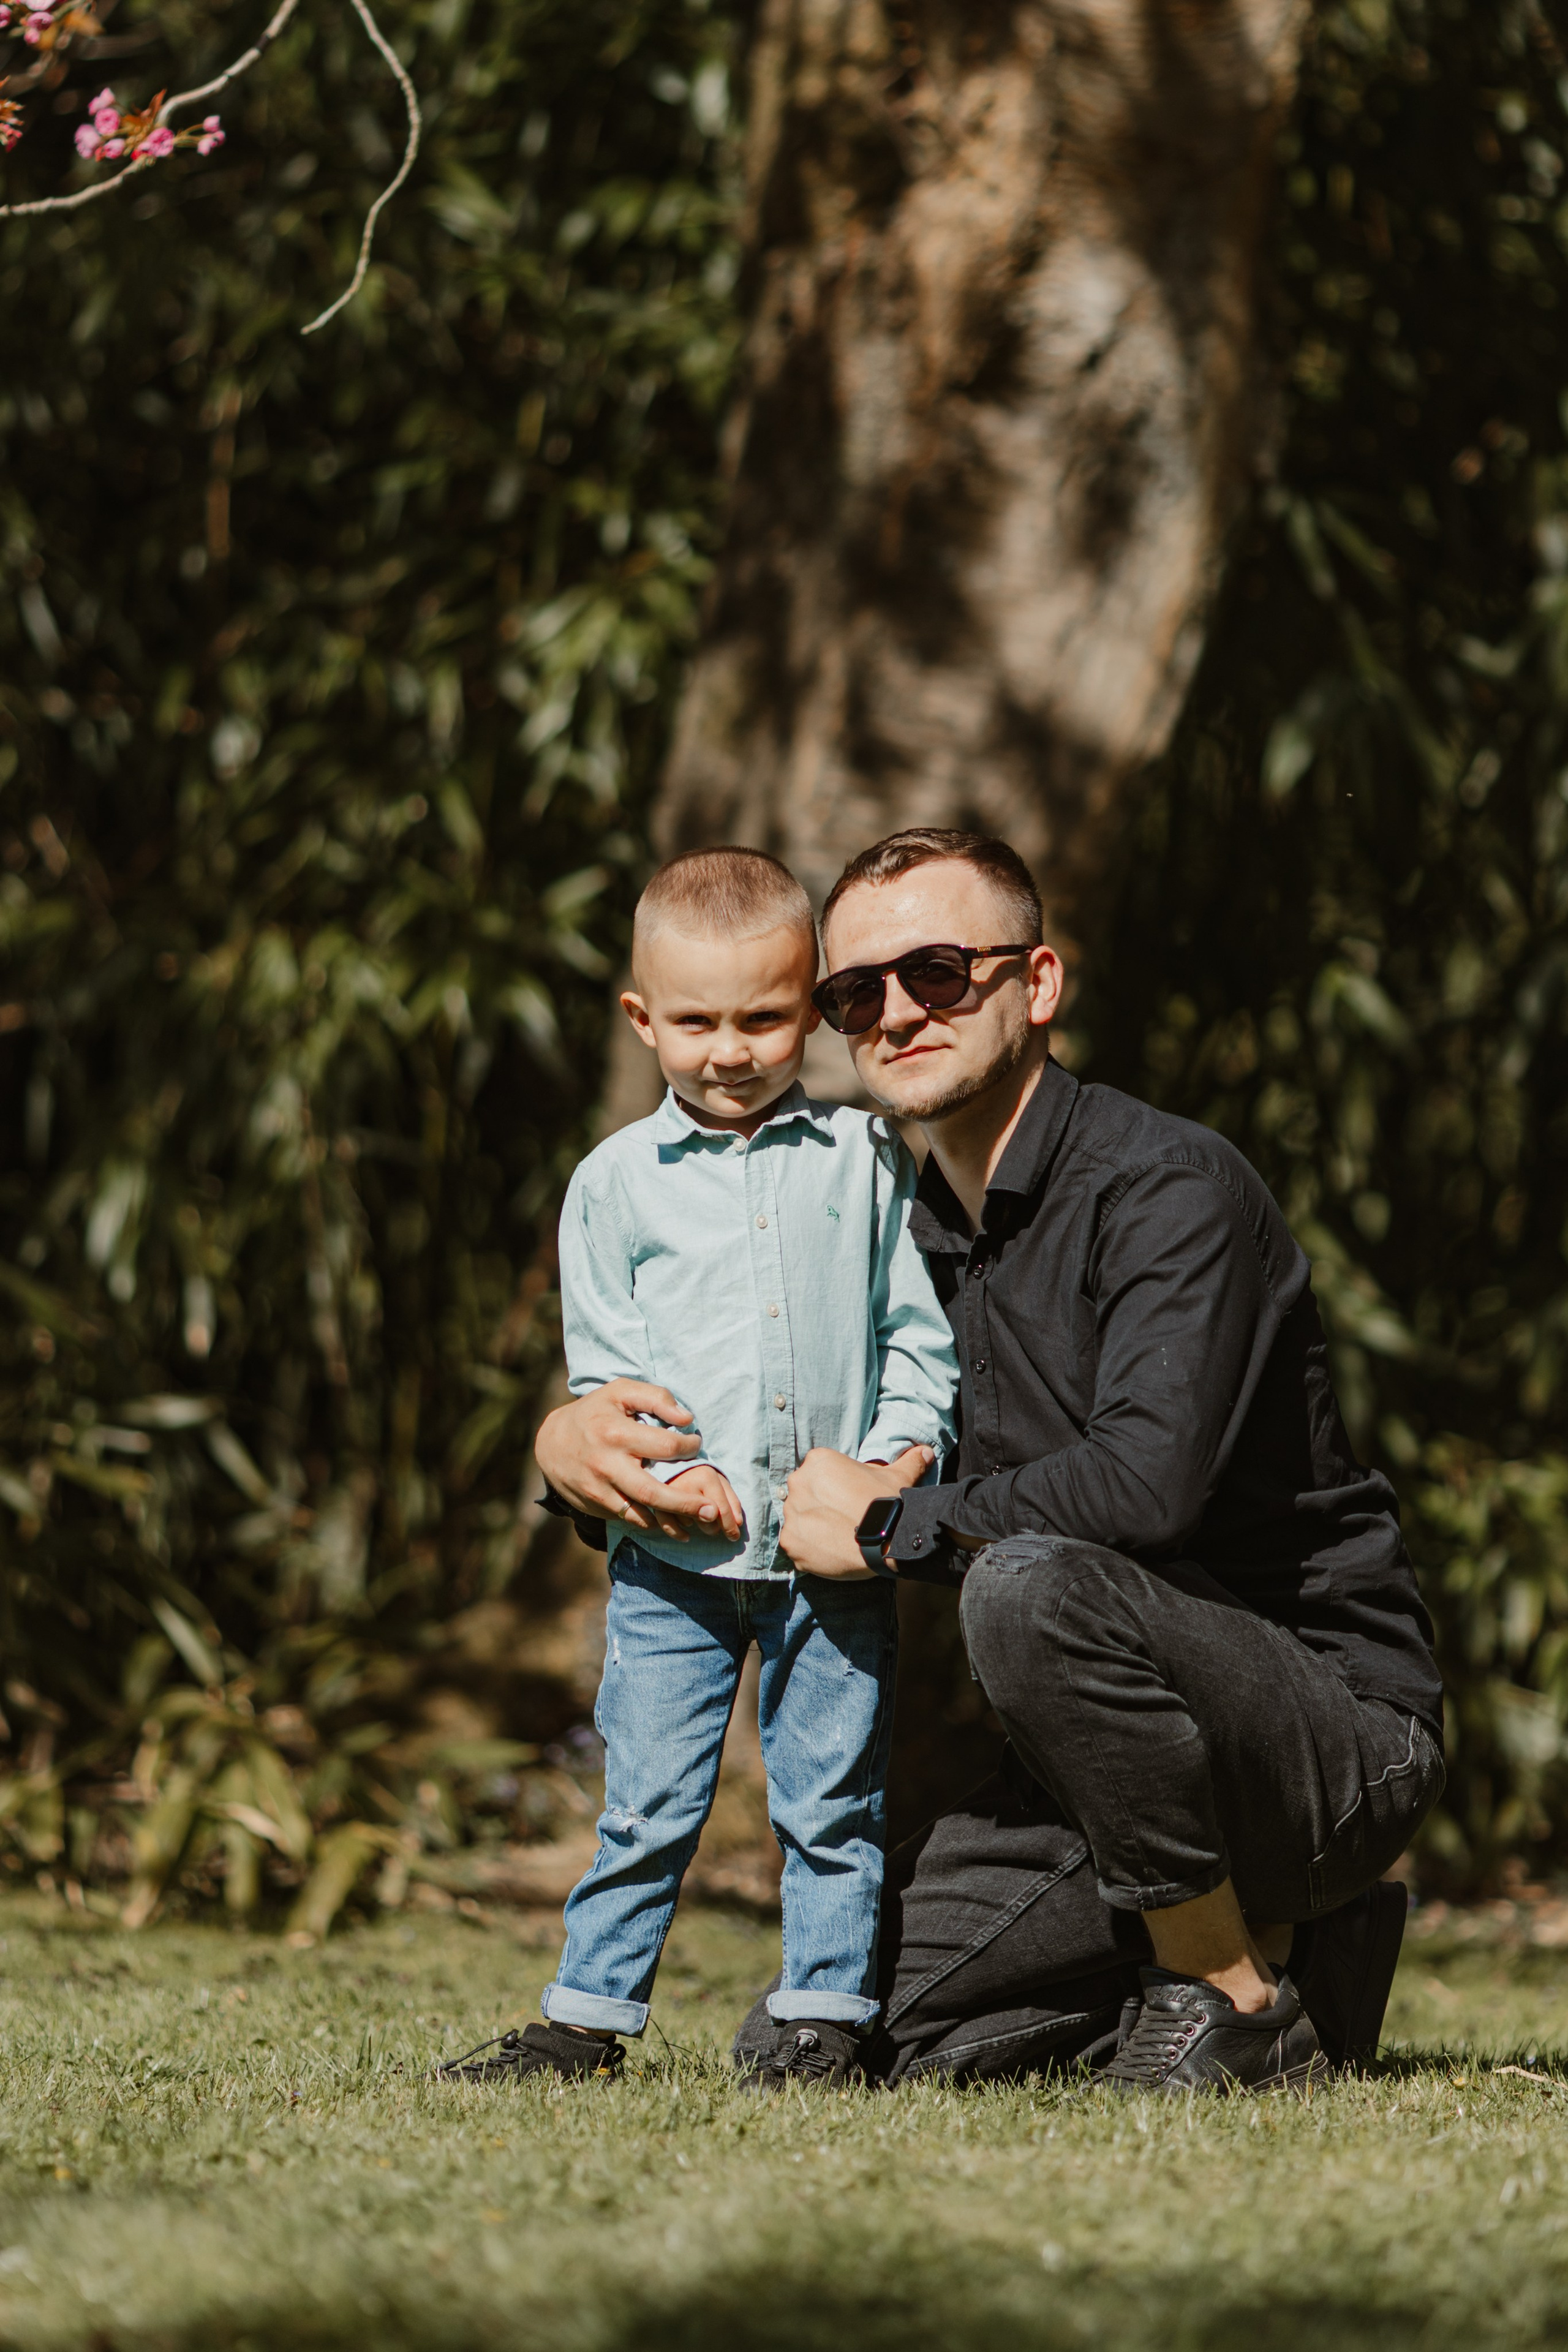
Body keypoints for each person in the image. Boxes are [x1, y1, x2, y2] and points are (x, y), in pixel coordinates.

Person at [535, 827, 1446, 2095]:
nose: (898, 1011)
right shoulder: (893, 1226)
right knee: (840, 2030)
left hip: (1322, 1728)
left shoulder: (1165, 1190)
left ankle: (1228, 1992)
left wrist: (878, 1531)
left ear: (1037, 983)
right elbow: (760, 1403)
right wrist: (571, 1448)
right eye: (858, 992)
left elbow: (1141, 1489)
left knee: (1023, 1586)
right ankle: (1301, 1952)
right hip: (1109, 1768)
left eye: (941, 972)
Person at [440, 846, 957, 2089]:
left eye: (763, 1017)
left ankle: (824, 2018)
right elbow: (604, 1384)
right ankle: (586, 2022)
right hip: (670, 1566)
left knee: (829, 1802)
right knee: (647, 1802)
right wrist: (666, 1481)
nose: (729, 1049)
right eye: (695, 1021)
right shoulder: (613, 1187)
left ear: (814, 1007)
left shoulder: (869, 1162)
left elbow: (916, 1340)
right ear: (642, 1020)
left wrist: (892, 1461)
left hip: (827, 1560)